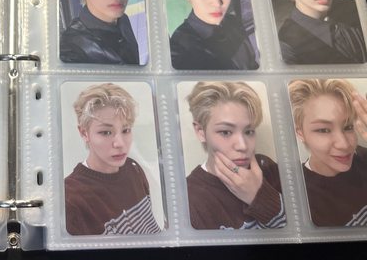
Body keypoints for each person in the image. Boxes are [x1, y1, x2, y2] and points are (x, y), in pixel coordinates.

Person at [185, 81, 286, 230]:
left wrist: (260, 197)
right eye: (226, 132)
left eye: (249, 131)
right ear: (201, 132)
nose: (243, 146)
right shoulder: (189, 197)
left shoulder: (268, 168)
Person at [64, 83, 161, 235]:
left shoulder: (133, 168)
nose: (120, 144)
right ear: (84, 133)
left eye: (126, 130)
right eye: (106, 132)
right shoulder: (71, 199)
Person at [288, 79, 367, 227]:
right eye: (323, 130)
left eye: (348, 127)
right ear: (300, 133)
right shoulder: (299, 197)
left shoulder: (363, 158)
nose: (344, 144)